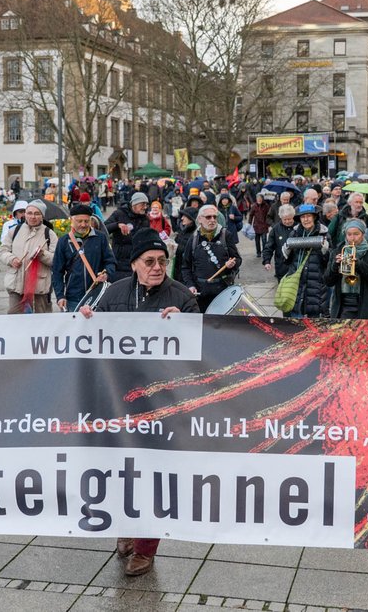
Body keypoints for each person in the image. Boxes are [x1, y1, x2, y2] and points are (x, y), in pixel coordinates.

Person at [78, 227, 197, 576]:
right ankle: (126, 528)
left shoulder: (180, 297)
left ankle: (146, 547)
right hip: (119, 399)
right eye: (150, 261)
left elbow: (202, 349)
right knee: (120, 470)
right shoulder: (113, 294)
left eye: (162, 261)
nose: (157, 267)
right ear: (134, 264)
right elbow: (90, 334)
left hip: (162, 402)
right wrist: (84, 320)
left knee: (153, 474)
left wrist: (186, 323)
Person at [0, 200, 56, 313]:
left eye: (37, 213)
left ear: (42, 216)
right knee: (15, 319)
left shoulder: (49, 234)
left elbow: (56, 260)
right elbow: (2, 251)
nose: (32, 217)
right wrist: (12, 259)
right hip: (16, 285)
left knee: (42, 321)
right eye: (29, 213)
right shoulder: (14, 231)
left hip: (40, 287)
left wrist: (42, 254)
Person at [52, 204, 114, 311]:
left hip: (97, 295)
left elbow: (111, 262)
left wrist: (106, 274)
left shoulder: (100, 238)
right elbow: (57, 272)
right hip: (73, 298)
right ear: (72, 220)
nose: (83, 224)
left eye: (86, 221)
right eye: (79, 221)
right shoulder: (64, 241)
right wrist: (60, 296)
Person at [181, 205, 241, 312]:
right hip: (201, 293)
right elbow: (186, 266)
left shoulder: (225, 235)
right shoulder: (194, 238)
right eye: (208, 217)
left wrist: (232, 264)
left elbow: (237, 259)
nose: (212, 220)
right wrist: (190, 285)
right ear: (200, 219)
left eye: (214, 217)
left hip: (223, 291)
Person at [326, 219, 368, 319]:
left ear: (363, 234)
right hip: (343, 305)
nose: (352, 238)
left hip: (366, 305)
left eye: (356, 234)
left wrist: (359, 264)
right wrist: (335, 265)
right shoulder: (337, 252)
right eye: (349, 234)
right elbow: (328, 281)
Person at [284, 204, 331, 319]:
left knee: (314, 324)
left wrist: (325, 251)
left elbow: (329, 263)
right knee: (296, 321)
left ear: (314, 217)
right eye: (303, 217)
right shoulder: (294, 234)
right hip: (297, 285)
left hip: (316, 286)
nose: (306, 219)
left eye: (309, 216)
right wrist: (286, 252)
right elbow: (288, 262)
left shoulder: (323, 234)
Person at [104, 193, 151, 281]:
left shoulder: (145, 219)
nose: (145, 207)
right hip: (119, 260)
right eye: (142, 204)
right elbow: (104, 228)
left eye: (146, 204)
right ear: (134, 204)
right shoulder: (119, 214)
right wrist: (117, 225)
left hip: (136, 259)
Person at [263, 204, 299, 279]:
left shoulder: (299, 227)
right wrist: (267, 261)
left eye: (289, 219)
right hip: (281, 266)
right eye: (284, 219)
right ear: (281, 218)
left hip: (297, 265)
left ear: (293, 217)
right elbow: (269, 246)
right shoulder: (276, 229)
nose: (287, 221)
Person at [248, 192, 272, 258]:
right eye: (258, 198)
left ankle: (265, 252)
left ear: (262, 199)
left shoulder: (266, 205)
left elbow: (269, 215)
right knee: (257, 241)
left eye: (260, 198)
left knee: (264, 240)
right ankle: (258, 252)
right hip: (256, 226)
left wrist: (268, 223)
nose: (259, 200)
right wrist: (249, 224)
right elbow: (251, 215)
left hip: (264, 226)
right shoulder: (254, 206)